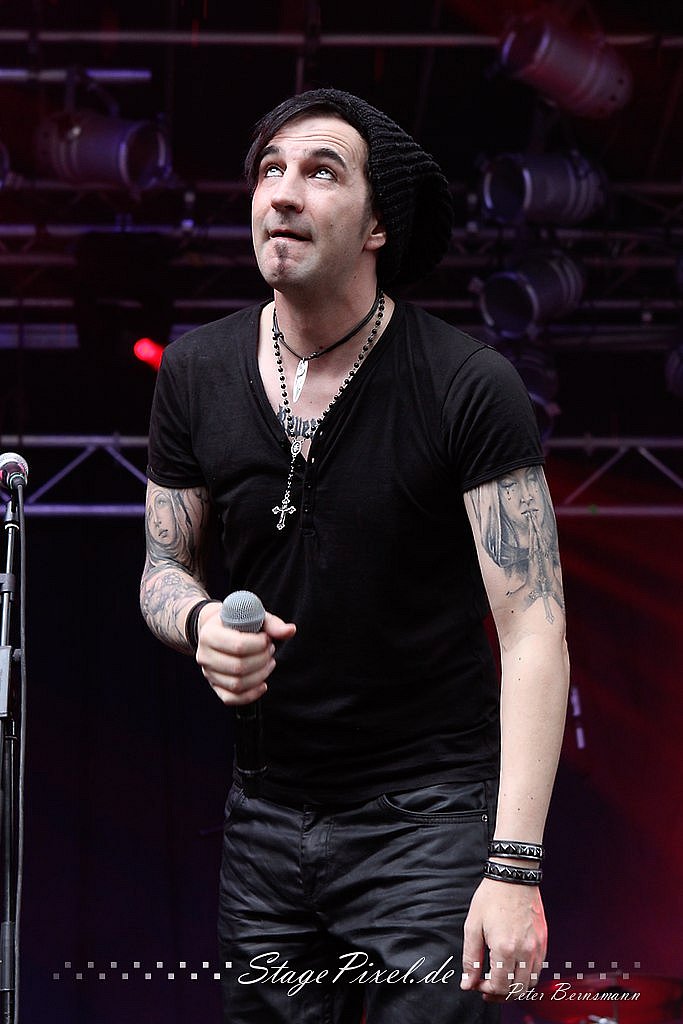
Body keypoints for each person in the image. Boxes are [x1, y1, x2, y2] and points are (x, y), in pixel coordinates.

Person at [140, 88, 569, 1024]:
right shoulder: (194, 373)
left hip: (428, 825)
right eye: (269, 169)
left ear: (378, 225)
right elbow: (162, 568)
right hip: (265, 822)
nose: (282, 192)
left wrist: (512, 867)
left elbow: (533, 631)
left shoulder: (466, 385)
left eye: (320, 171)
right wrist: (201, 623)